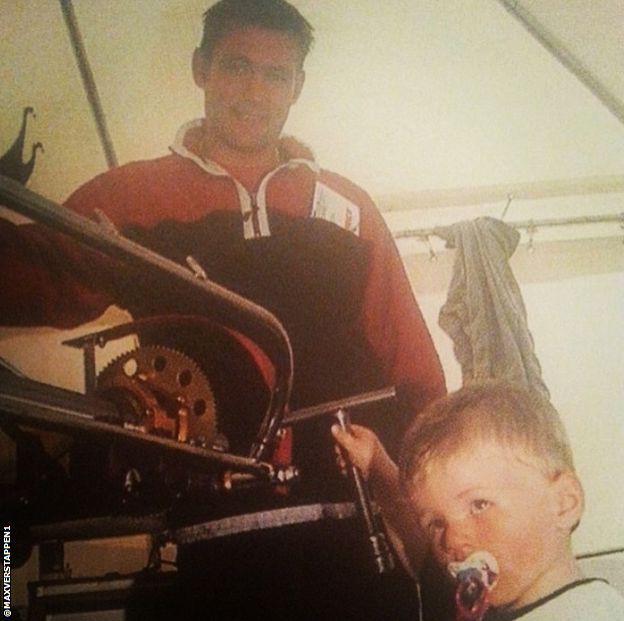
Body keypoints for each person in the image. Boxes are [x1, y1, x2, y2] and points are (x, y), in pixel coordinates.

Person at [0, 0, 446, 618]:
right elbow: (28, 276)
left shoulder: (346, 206)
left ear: (297, 86)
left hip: (354, 538)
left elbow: (415, 371)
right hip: (216, 549)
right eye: (236, 66)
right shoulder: (131, 198)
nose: (254, 92)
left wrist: (438, 518)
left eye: (275, 74)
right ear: (200, 68)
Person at [332, 380, 624, 620]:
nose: (452, 540)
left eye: (479, 505)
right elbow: (421, 555)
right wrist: (375, 466)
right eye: (435, 523)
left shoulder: (593, 613)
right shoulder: (484, 602)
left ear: (564, 503)